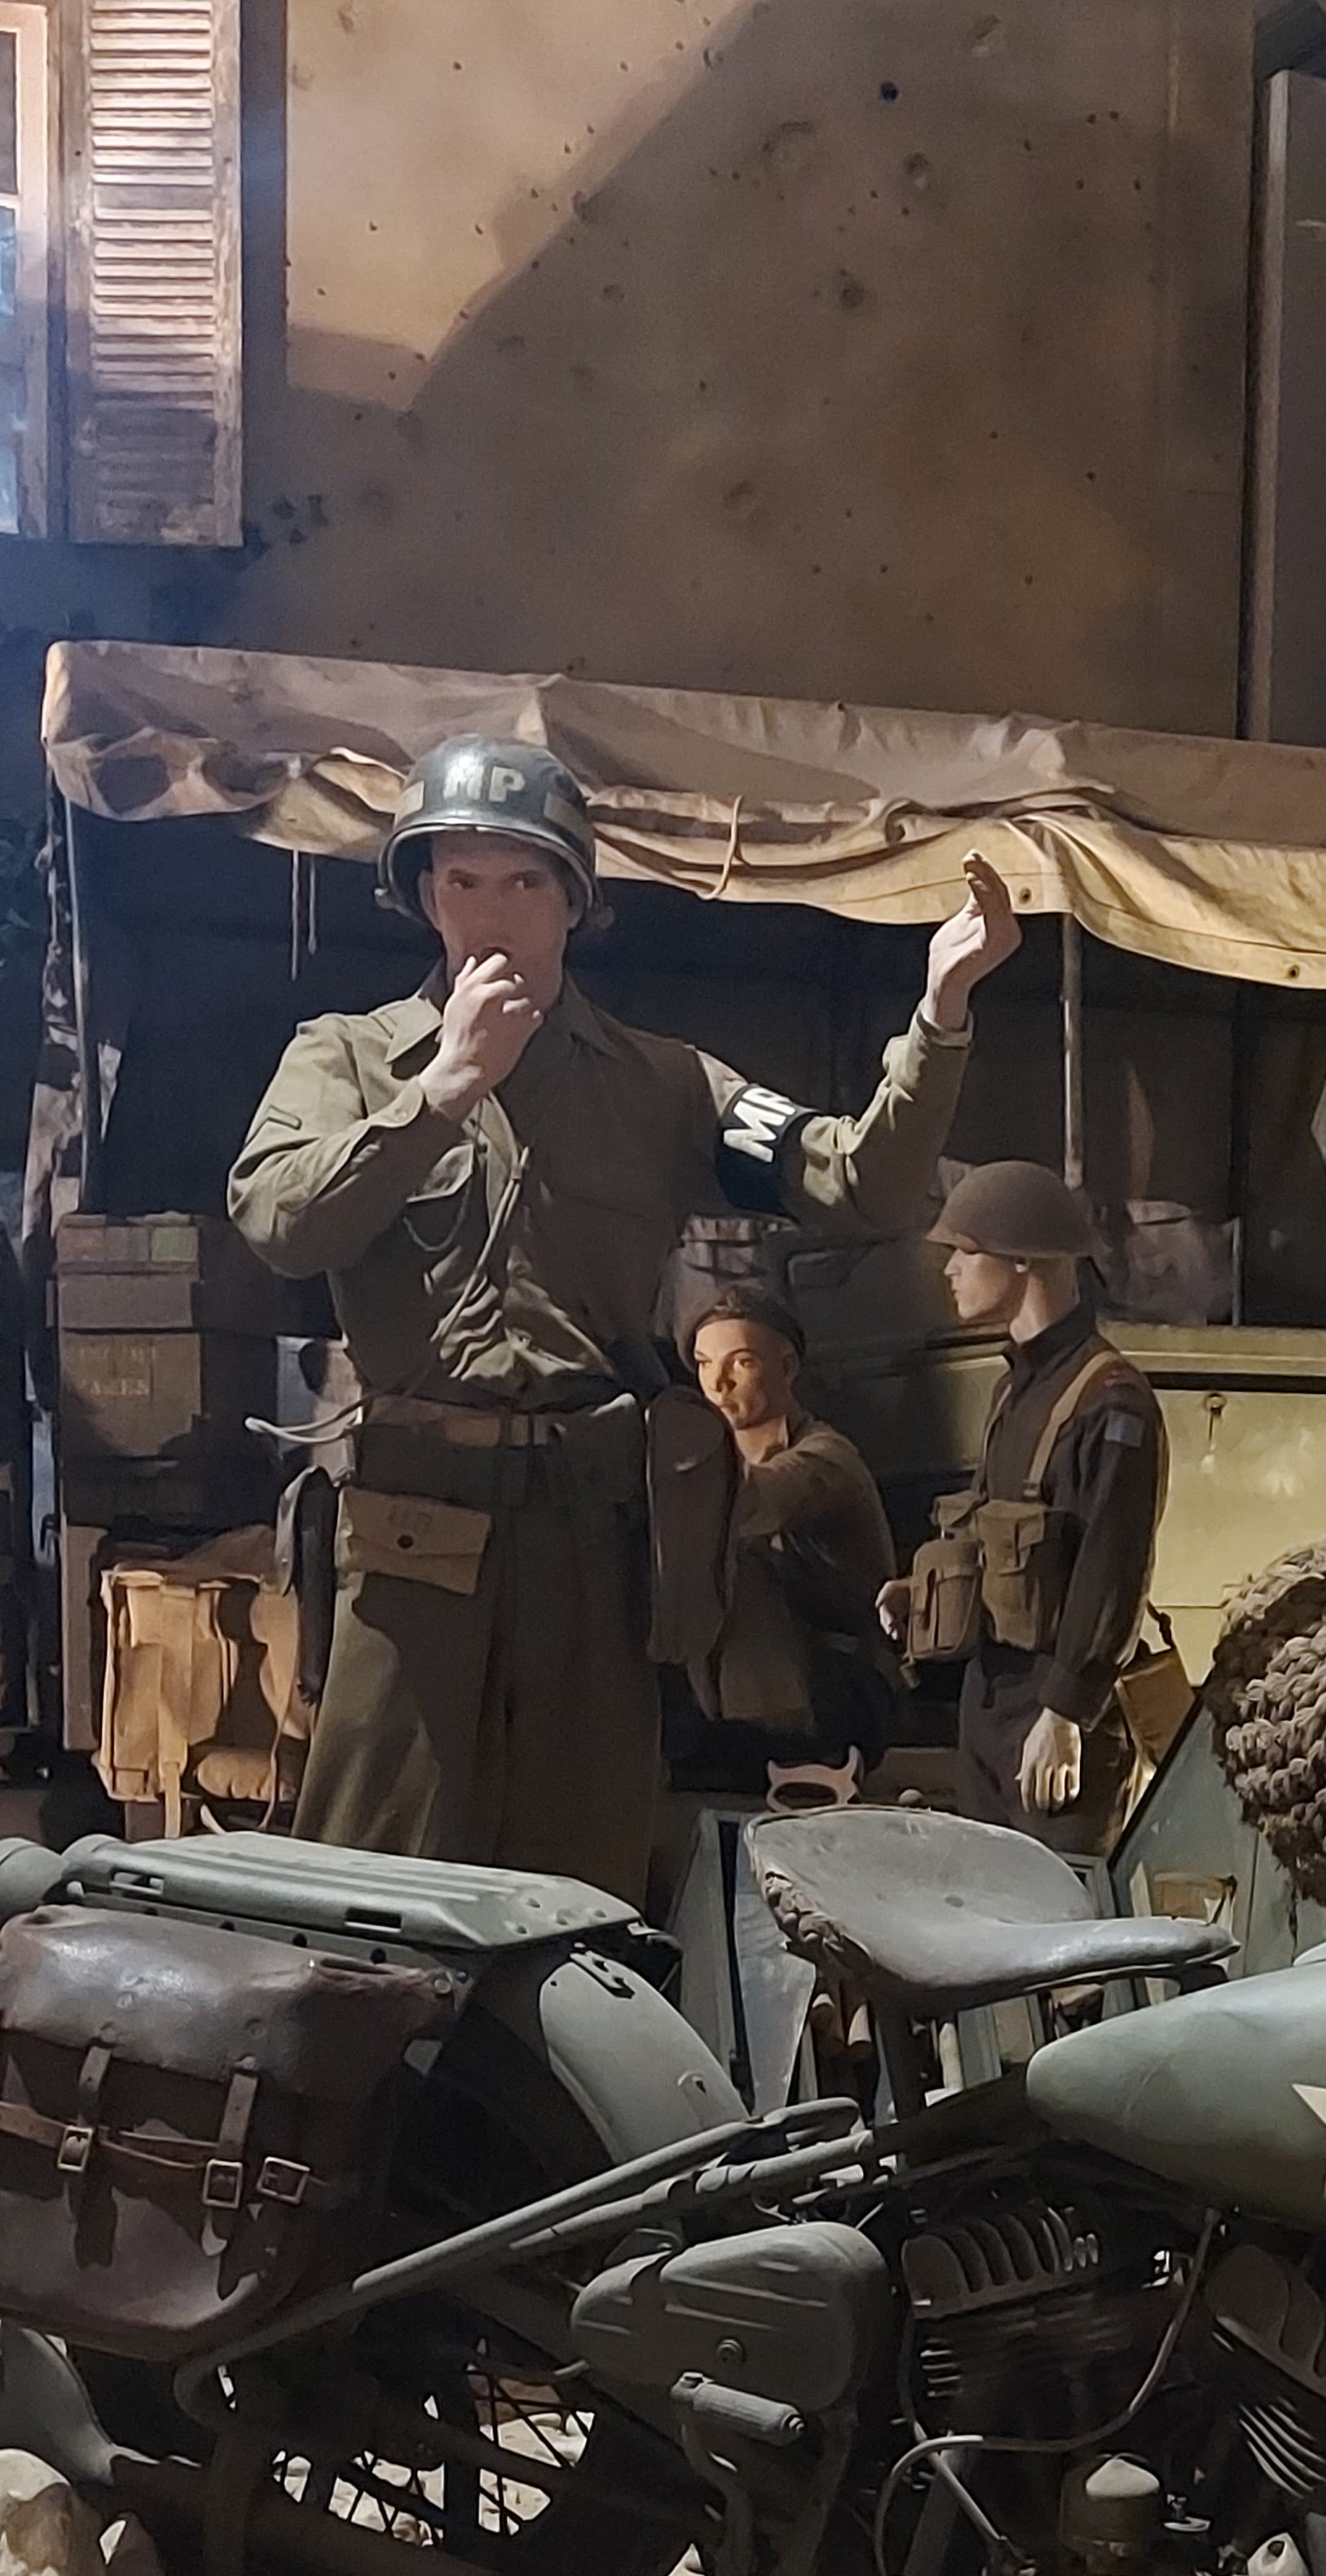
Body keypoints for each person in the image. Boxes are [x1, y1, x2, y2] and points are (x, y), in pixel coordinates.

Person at [227, 734, 1020, 1899]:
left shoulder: (662, 1085)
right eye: (462, 879)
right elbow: (277, 1220)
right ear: (425, 895)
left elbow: (863, 1183)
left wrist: (940, 1013)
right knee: (377, 1884)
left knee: (577, 1885)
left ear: (574, 901)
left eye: (525, 880)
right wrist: (439, 1093)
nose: (491, 913)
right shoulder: (346, 1059)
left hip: (591, 1546)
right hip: (413, 1537)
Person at [896, 1159, 1165, 1852]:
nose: (950, 1270)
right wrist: (922, 1593)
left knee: (1062, 1905)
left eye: (966, 1251)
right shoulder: (1012, 1390)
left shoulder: (1109, 1401)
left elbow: (1112, 1569)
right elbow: (992, 1526)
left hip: (1054, 1715)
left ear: (1021, 1261)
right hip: (989, 1698)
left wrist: (1067, 1712)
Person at [678, 1293, 899, 1794]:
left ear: (787, 1368)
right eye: (705, 1364)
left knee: (737, 1559)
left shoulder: (826, 1457)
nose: (718, 1383)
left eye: (741, 1362)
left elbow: (760, 1501)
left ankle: (760, 1748)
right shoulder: (727, 1457)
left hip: (837, 1694)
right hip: (753, 1696)